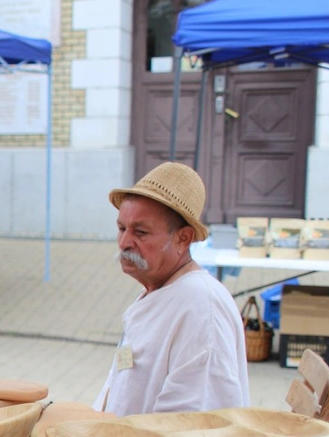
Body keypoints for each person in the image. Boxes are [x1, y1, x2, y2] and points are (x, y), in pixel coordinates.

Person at [96, 162, 250, 416]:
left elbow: (191, 428)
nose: (124, 243)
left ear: (183, 239)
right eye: (121, 228)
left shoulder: (201, 308)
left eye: (141, 232)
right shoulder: (160, 288)